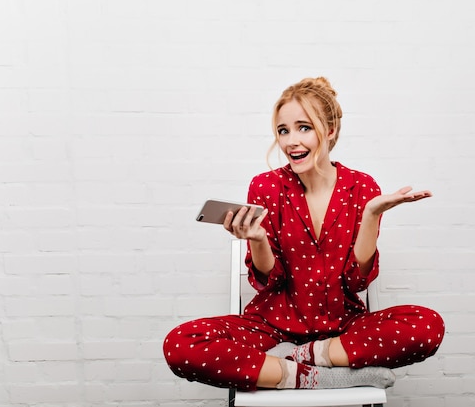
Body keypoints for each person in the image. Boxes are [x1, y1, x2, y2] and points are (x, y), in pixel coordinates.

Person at [163, 77, 445, 391]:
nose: (291, 141)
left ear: (330, 131)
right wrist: (257, 239)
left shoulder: (362, 187)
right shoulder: (266, 186)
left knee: (427, 326)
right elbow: (269, 280)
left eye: (304, 127)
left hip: (342, 329)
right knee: (180, 344)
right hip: (271, 328)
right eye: (283, 131)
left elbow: (357, 282)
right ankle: (309, 376)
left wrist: (371, 215)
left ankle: (304, 357)